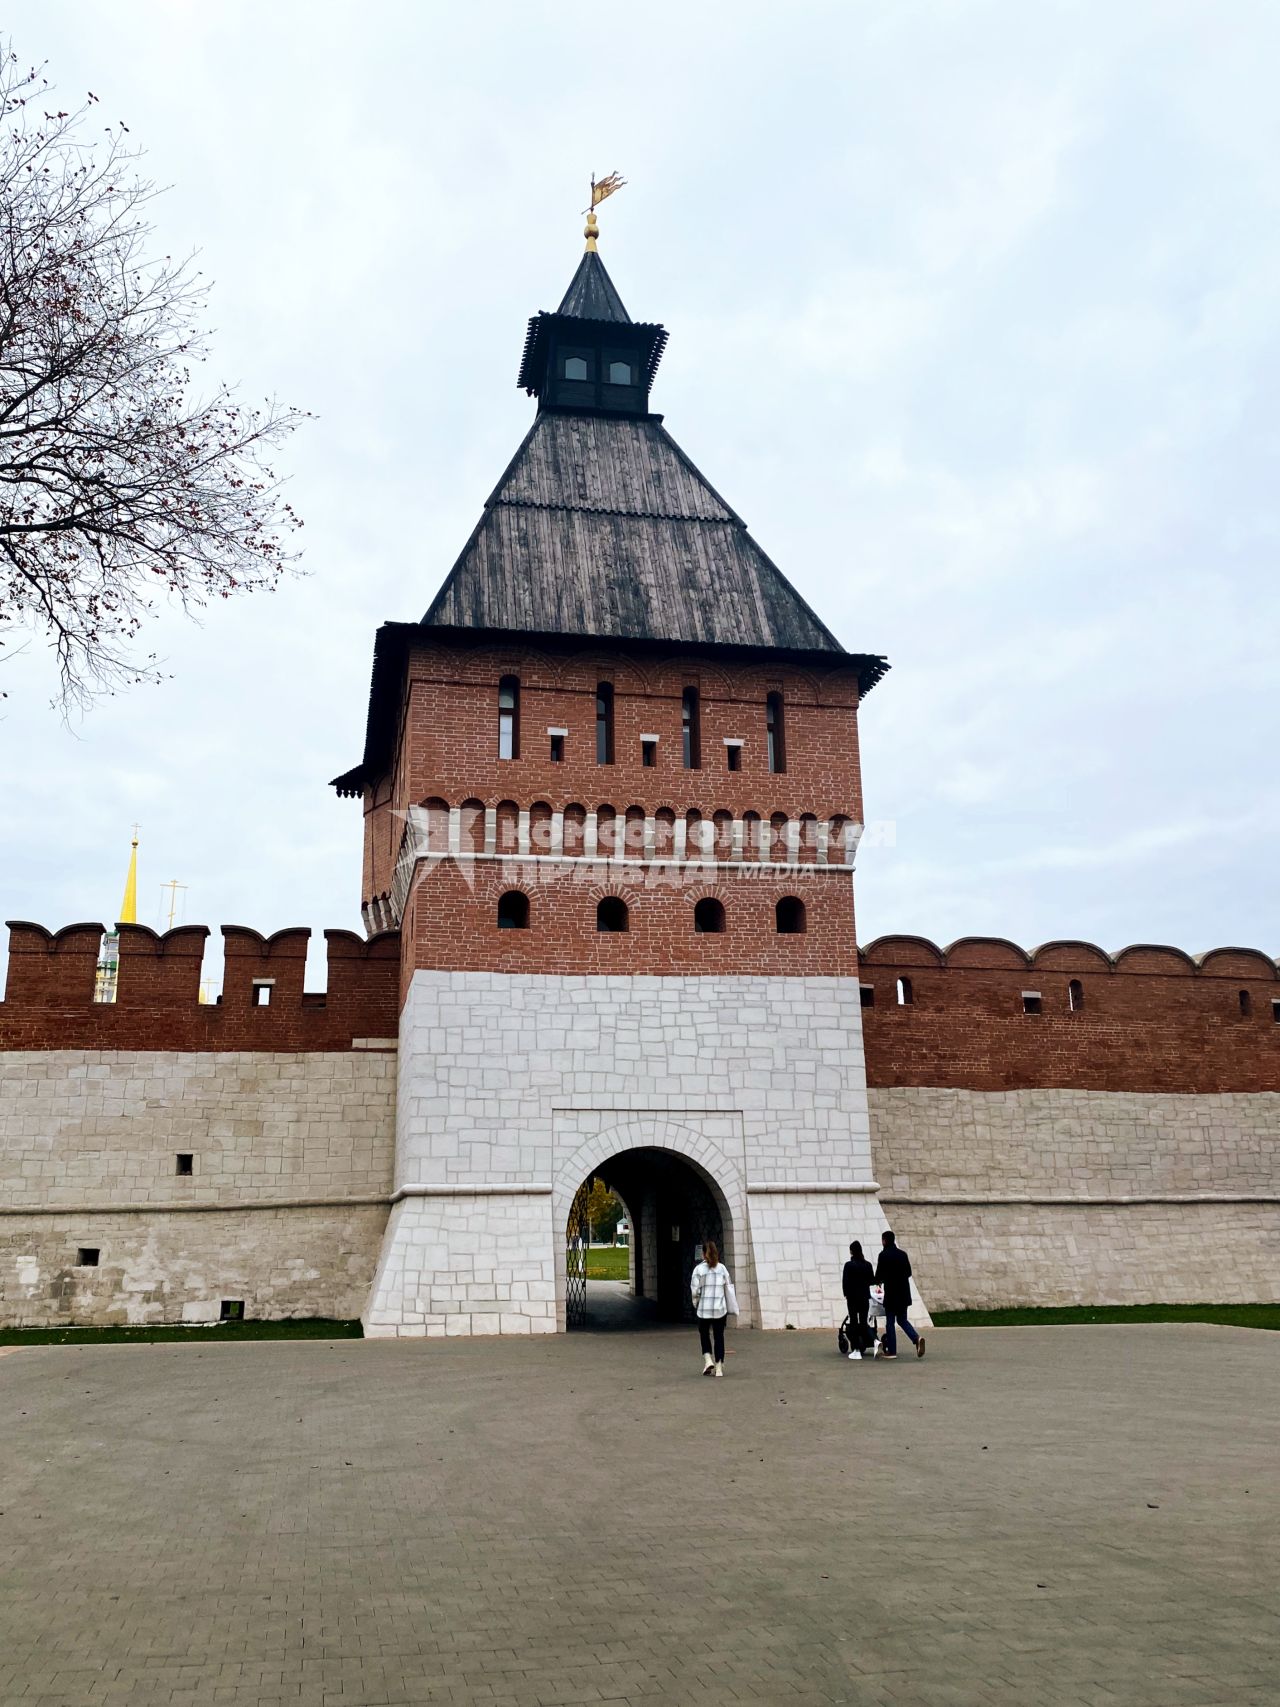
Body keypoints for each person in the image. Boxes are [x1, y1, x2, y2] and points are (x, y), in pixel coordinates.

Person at [875, 1229, 925, 1359]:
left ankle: (892, 1351)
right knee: (902, 1319)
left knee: (890, 1322)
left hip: (891, 1294)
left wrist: (881, 1280)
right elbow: (908, 1273)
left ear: (884, 1241)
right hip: (903, 1293)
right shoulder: (903, 1254)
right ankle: (916, 1338)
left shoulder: (883, 1255)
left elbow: (878, 1275)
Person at [690, 1239, 737, 1377]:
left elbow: (695, 1291)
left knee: (704, 1334)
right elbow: (728, 1287)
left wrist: (696, 1303)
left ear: (704, 1254)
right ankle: (719, 1367)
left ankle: (708, 1359)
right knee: (719, 1337)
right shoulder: (722, 1269)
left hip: (704, 1309)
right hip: (719, 1309)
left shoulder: (698, 1270)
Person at [841, 1240, 875, 1360]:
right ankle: (874, 1341)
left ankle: (856, 1349)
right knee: (864, 1322)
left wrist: (846, 1294)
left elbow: (845, 1282)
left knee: (854, 1323)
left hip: (853, 1298)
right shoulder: (868, 1265)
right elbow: (872, 1280)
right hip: (864, 1297)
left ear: (851, 1251)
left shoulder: (849, 1265)